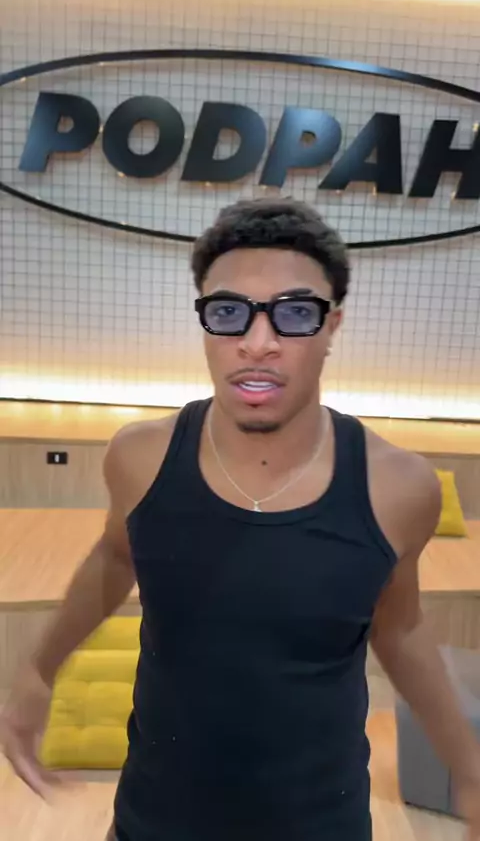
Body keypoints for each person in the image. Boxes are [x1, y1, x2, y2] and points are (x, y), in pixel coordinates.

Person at [1, 198, 479, 841]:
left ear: (332, 326)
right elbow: (116, 556)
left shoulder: (399, 487)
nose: (258, 344)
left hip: (318, 821)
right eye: (229, 313)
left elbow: (401, 627)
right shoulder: (140, 457)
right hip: (155, 817)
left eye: (295, 314)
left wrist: (468, 768)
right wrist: (39, 668)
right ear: (203, 321)